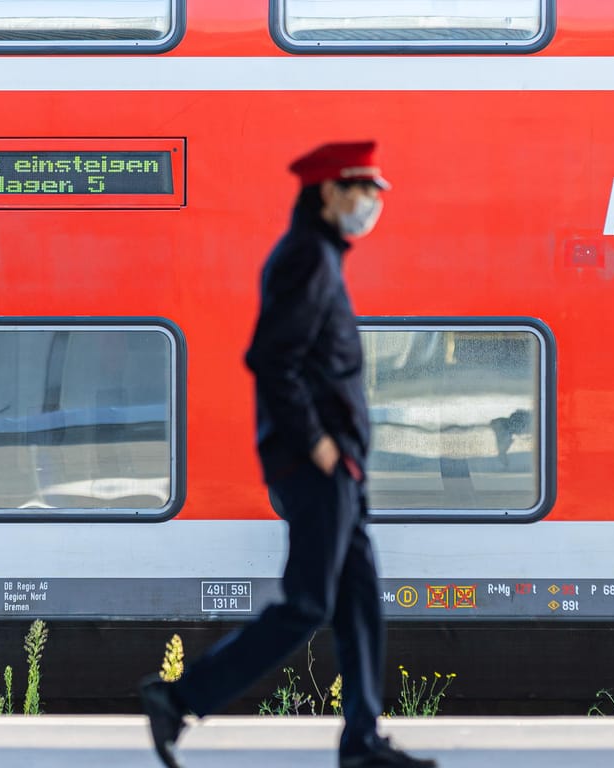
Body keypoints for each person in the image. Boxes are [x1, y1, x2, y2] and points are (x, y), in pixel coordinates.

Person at [138, 141, 437, 768]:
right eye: (363, 190)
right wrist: (318, 444)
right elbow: (272, 359)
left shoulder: (321, 255)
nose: (373, 203)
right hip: (317, 465)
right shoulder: (307, 258)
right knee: (307, 603)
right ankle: (180, 698)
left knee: (358, 607)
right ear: (328, 192)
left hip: (339, 468)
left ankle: (362, 739)